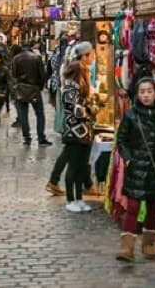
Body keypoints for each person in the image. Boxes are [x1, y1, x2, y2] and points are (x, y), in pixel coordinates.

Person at [114, 77, 155, 262]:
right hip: (136, 168)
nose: (146, 95)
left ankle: (148, 244)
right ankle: (127, 248)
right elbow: (121, 140)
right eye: (142, 92)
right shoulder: (131, 115)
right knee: (132, 206)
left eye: (149, 91)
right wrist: (129, 160)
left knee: (153, 206)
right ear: (137, 94)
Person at [46, 39, 92, 196]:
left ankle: (86, 184)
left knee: (76, 154)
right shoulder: (74, 79)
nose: (92, 58)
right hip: (76, 127)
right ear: (84, 56)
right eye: (90, 55)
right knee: (73, 154)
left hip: (77, 128)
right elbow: (73, 106)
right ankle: (68, 188)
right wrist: (90, 110)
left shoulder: (76, 73)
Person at [60, 58, 96, 213]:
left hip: (84, 133)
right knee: (73, 167)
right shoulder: (69, 89)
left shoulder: (79, 89)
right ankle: (70, 199)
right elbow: (77, 111)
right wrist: (90, 108)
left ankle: (79, 198)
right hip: (74, 133)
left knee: (82, 167)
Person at [12, 43, 52, 146]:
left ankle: (27, 138)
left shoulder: (16, 59)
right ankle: (41, 137)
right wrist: (40, 86)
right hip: (34, 88)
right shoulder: (36, 58)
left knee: (23, 115)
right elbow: (42, 75)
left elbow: (13, 75)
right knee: (39, 114)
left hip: (21, 89)